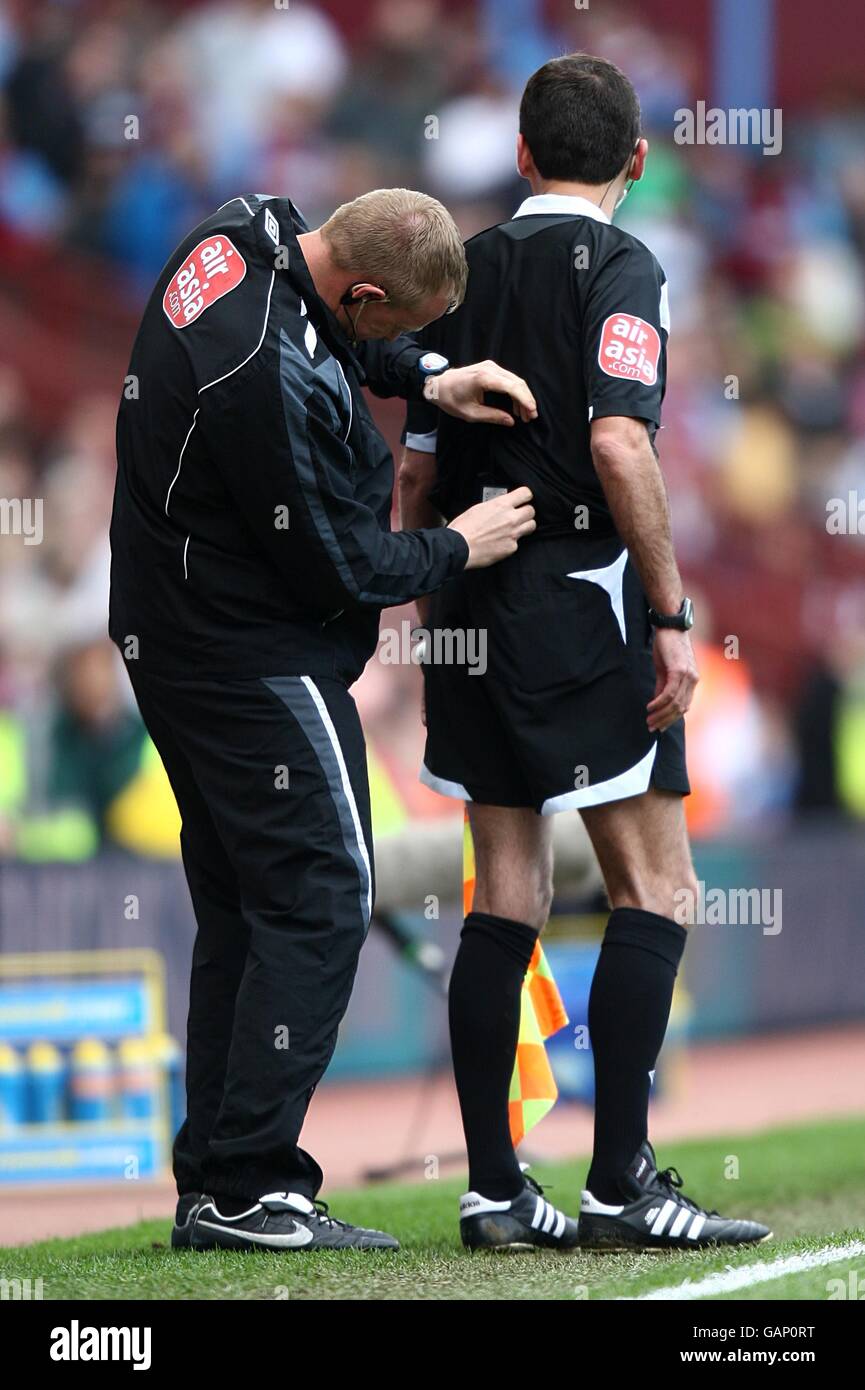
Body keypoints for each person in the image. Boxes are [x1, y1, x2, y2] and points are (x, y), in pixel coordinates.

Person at [109, 186, 538, 1252]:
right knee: (326, 893)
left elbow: (330, 331)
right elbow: (340, 564)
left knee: (246, 907)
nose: (392, 348)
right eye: (393, 327)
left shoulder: (244, 230)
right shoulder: (262, 370)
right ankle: (253, 1184)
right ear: (359, 289)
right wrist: (460, 545)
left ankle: (216, 1180)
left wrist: (434, 371)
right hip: (241, 650)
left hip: (171, 627)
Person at [400, 54, 771, 1251]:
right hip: (581, 595)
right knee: (654, 886)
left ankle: (496, 1191)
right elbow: (620, 445)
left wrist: (429, 593)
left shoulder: (453, 271)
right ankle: (620, 1183)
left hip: (467, 588)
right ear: (637, 162)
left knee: (501, 895)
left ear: (519, 155)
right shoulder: (625, 265)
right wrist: (667, 613)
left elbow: (412, 465)